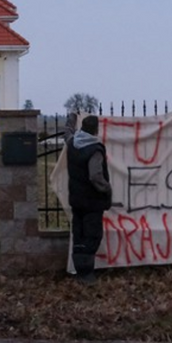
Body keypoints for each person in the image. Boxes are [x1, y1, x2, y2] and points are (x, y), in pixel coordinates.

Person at [64, 112, 112, 283]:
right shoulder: (95, 149)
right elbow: (95, 176)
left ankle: (80, 270)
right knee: (92, 236)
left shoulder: (72, 143)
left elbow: (68, 133)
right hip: (92, 201)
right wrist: (107, 189)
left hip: (76, 200)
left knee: (79, 233)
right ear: (95, 130)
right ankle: (86, 273)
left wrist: (71, 119)